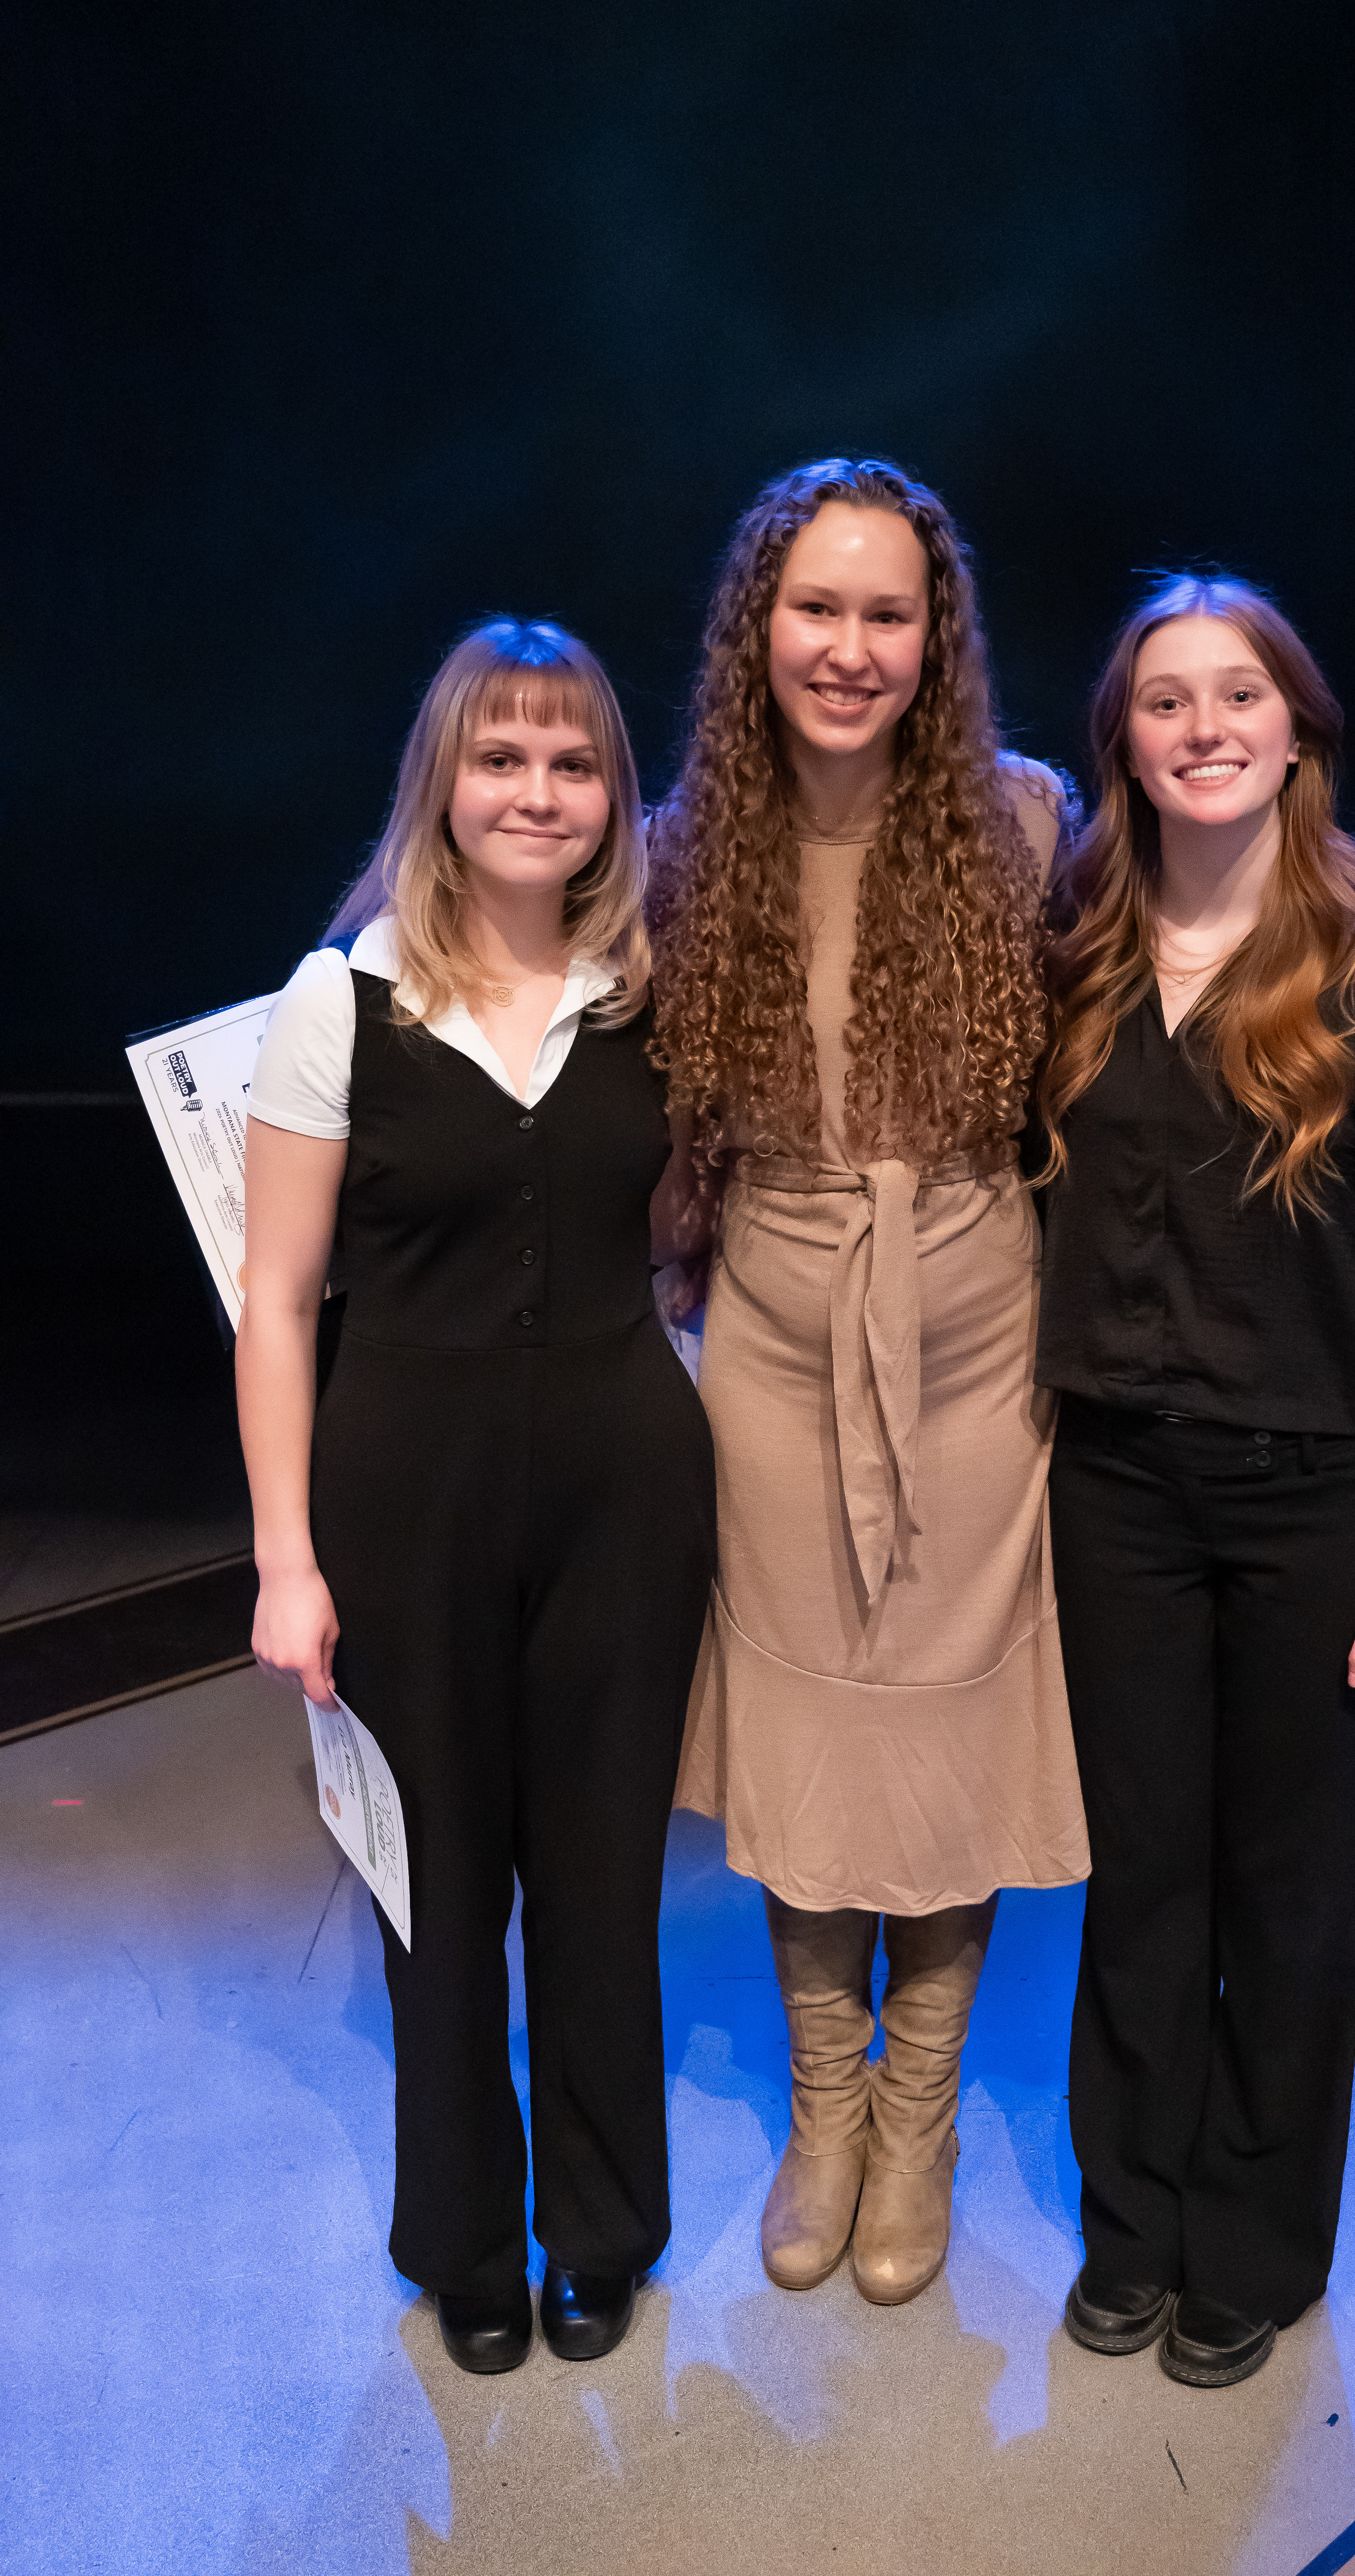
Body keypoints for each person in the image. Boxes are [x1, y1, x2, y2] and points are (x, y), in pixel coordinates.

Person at [1035, 573, 1355, 2387]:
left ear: (1297, 727)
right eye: (1166, 699)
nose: (1205, 726)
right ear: (1125, 742)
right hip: (1118, 1490)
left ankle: (1251, 2245)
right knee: (1142, 1872)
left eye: (1239, 693)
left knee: (1290, 1890)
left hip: (1321, 1492)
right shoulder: (1077, 948)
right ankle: (1131, 2222)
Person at [236, 619, 715, 2374]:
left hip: (622, 1496)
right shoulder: (342, 998)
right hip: (401, 1499)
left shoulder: (653, 992)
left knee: (599, 1886)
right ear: (441, 780)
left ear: (615, 792)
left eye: (573, 760)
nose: (537, 790)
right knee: (435, 1897)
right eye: (500, 757)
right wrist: (285, 1561)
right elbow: (278, 1300)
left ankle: (603, 2230)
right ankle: (462, 2240)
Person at [648, 459, 1089, 2306]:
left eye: (885, 613)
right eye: (815, 609)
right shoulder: (681, 849)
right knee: (809, 1728)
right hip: (770, 1334)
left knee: (949, 1731)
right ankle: (824, 2107)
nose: (848, 647)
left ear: (935, 637)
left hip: (976, 1331)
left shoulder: (1027, 821)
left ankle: (919, 2111)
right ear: (759, 629)